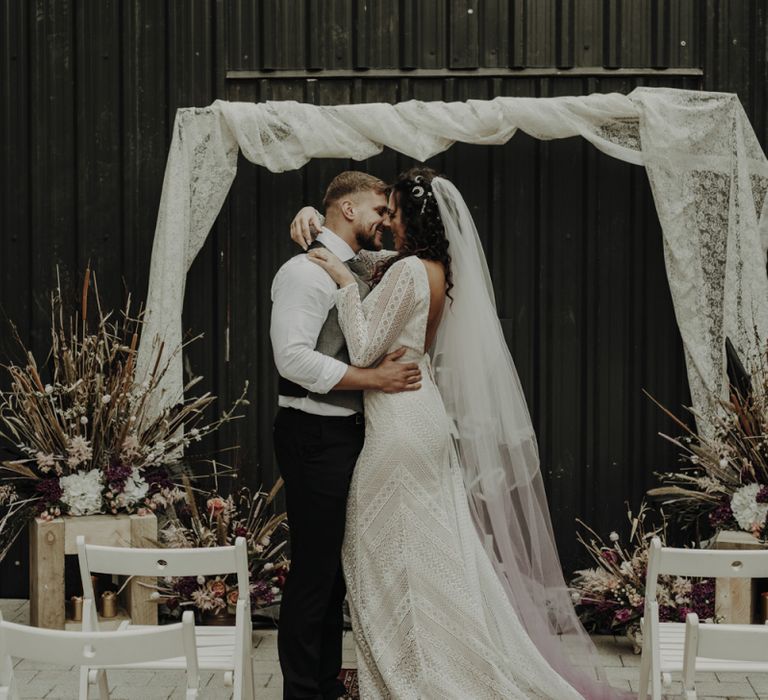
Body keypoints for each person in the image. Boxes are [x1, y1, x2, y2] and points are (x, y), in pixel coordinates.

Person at [299, 167, 624, 699]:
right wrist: (314, 219)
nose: (386, 219)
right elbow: (367, 264)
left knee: (381, 552)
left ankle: (420, 674)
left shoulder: (404, 272)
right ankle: (435, 660)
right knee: (434, 551)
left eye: (394, 212)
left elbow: (362, 347)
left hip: (398, 421)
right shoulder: (434, 268)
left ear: (413, 217)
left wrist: (340, 283)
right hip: (422, 413)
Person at [270, 171, 424, 700]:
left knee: (334, 569)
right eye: (379, 209)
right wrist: (372, 379)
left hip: (347, 433)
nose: (385, 219)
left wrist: (308, 217)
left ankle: (326, 681)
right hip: (312, 432)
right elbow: (291, 359)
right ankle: (302, 690)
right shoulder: (304, 273)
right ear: (349, 210)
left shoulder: (357, 265)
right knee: (314, 567)